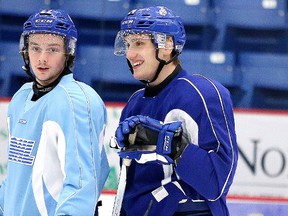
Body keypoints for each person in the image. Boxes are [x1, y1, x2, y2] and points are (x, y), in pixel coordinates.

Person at [110, 6, 238, 216]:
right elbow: (132, 187)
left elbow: (217, 184)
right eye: (128, 44)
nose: (130, 53)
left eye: (139, 43)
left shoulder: (204, 94)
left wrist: (174, 146)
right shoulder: (134, 103)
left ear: (167, 45)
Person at [0, 9, 110, 216]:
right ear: (25, 50)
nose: (42, 58)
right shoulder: (21, 97)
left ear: (68, 53)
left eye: (52, 50)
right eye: (35, 48)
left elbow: (82, 183)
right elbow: (16, 176)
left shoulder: (76, 100)